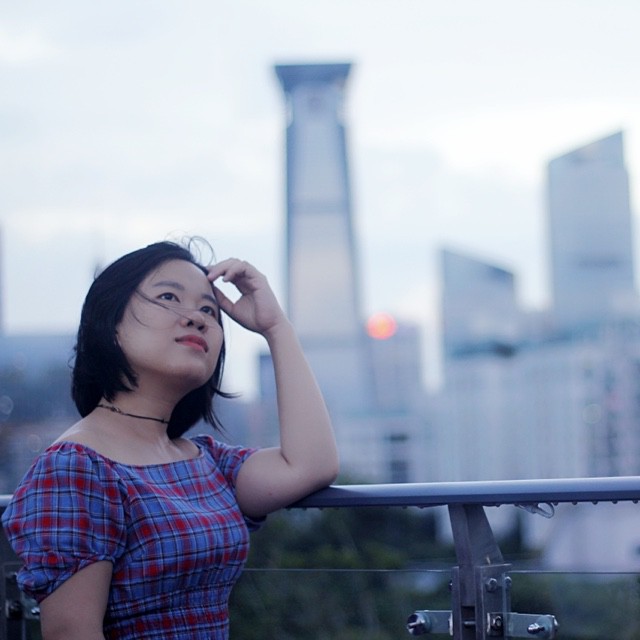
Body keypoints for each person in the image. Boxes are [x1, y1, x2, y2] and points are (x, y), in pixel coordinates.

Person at [1, 240, 339, 640]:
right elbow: (72, 633)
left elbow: (311, 465)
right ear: (110, 323)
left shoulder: (204, 461)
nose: (196, 318)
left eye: (208, 310)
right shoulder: (75, 468)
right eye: (168, 297)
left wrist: (276, 327)